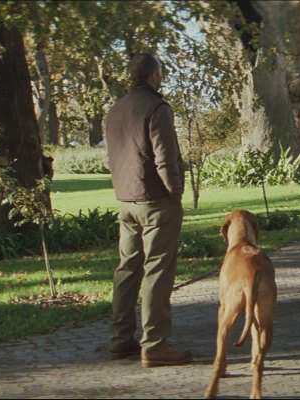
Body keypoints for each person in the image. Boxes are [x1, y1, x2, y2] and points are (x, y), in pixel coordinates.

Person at [103, 53, 190, 367]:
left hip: (126, 200)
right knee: (158, 271)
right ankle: (154, 344)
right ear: (154, 75)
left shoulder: (115, 110)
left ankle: (120, 339)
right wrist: (175, 192)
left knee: (127, 269)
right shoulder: (157, 108)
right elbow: (164, 157)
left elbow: (110, 159)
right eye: (161, 72)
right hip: (156, 201)